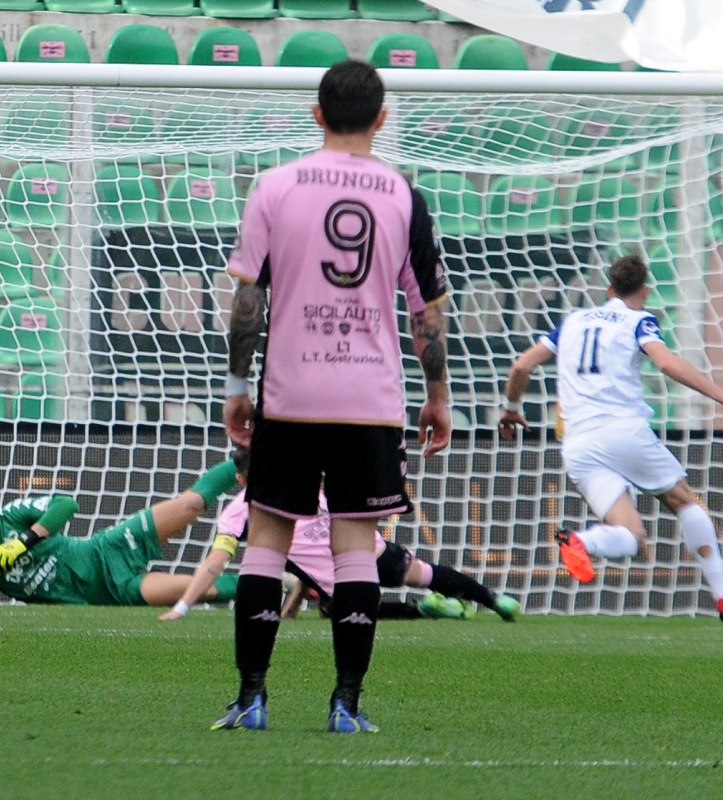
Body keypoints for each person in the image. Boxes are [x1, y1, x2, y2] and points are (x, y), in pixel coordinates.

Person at [217, 60, 451, 733]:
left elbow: (246, 301)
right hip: (369, 398)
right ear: (382, 118)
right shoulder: (404, 193)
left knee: (265, 539)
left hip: (290, 393)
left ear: (316, 115)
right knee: (356, 545)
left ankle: (252, 698)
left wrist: (238, 388)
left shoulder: (275, 186)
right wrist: (439, 395)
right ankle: (346, 706)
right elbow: (427, 312)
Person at [499, 254, 723, 617]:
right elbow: (665, 363)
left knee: (630, 535)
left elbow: (522, 364)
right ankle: (722, 593)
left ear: (608, 288)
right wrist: (718, 394)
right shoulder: (639, 320)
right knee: (684, 502)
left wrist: (510, 408)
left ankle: (580, 541)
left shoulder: (572, 321)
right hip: (622, 430)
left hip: (578, 443)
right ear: (645, 290)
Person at [160, 451, 518, 624]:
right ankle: (493, 598)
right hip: (371, 549)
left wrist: (182, 606)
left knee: (341, 612)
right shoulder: (303, 485)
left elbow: (215, 563)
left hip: (339, 579)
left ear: (240, 480)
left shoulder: (240, 510)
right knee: (425, 573)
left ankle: (425, 610)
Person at [0, 460, 239, 608]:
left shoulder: (14, 515)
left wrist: (27, 540)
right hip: (108, 596)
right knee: (196, 590)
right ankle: (270, 586)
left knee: (189, 505)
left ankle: (249, 456)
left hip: (104, 553)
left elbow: (67, 504)